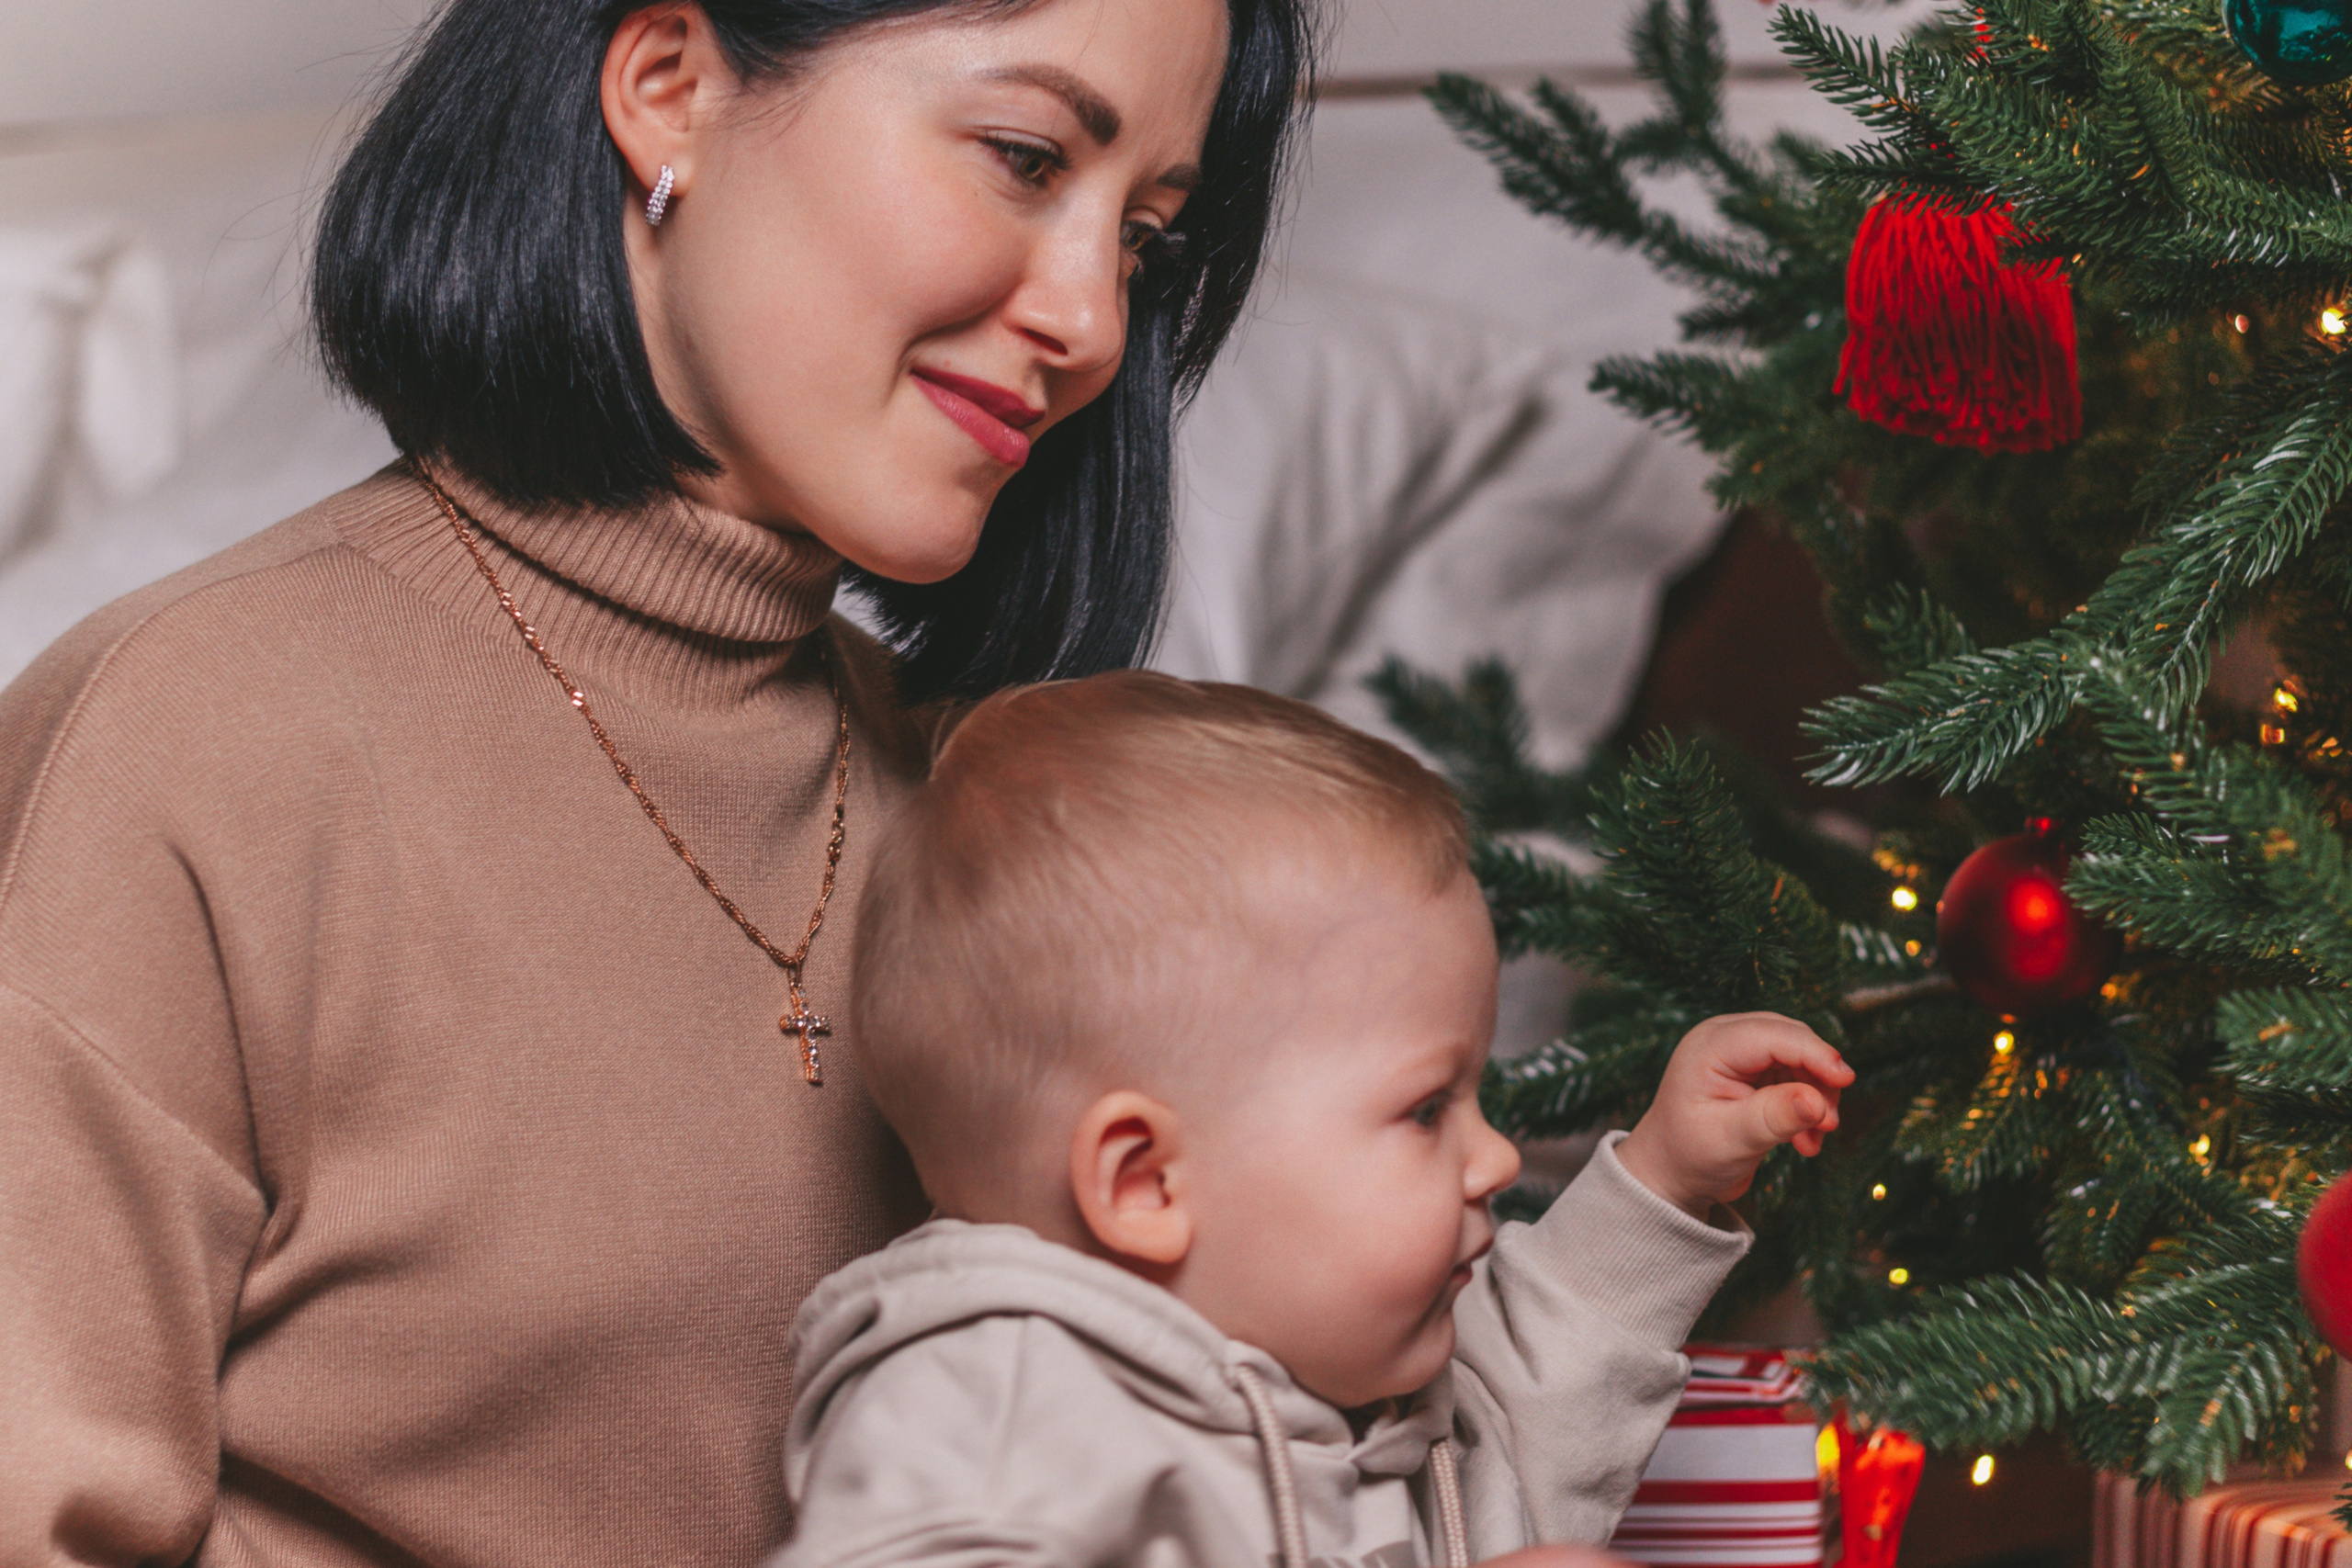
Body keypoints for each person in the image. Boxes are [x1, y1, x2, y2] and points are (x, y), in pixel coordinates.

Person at [0, 1, 1312, 1562]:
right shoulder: (194, 737)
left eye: (1149, 243)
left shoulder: (993, 810)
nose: (1093, 318)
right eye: (1026, 159)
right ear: (670, 89)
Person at [784, 671, 1853, 1567]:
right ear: (1146, 1182)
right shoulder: (993, 1420)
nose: (1494, 1156)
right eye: (1426, 1108)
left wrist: (1662, 1181)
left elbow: (1522, 1431)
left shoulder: (1344, 1362)